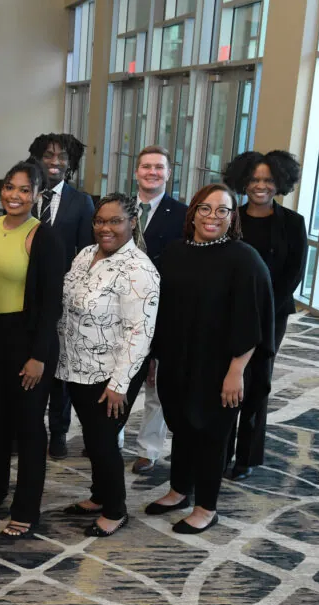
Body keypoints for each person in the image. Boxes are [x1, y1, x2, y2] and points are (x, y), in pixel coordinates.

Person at [146, 184, 274, 533]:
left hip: (220, 365)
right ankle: (178, 490)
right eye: (205, 208)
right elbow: (162, 311)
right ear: (193, 212)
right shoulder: (175, 252)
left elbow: (253, 320)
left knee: (212, 434)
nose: (213, 217)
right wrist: (155, 358)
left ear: (233, 217)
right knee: (183, 427)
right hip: (177, 358)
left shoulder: (242, 258)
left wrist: (236, 372)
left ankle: (206, 505)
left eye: (223, 210)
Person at [0, 160, 64, 537]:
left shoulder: (45, 237)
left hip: (28, 340)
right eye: (10, 187)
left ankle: (26, 507)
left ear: (38, 195)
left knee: (28, 426)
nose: (15, 195)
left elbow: (51, 304)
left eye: (25, 190)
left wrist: (38, 356)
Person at [58, 194, 160, 537]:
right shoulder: (87, 254)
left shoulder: (139, 269)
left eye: (115, 221)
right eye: (101, 220)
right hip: (77, 367)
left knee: (103, 442)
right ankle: (99, 496)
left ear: (132, 223)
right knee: (93, 437)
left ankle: (116, 510)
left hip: (111, 375)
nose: (106, 227)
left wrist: (119, 384)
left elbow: (140, 333)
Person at [222, 150, 306, 480]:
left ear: (280, 183)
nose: (261, 186)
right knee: (229, 379)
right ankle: (222, 450)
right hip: (230, 313)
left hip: (273, 315)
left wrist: (266, 309)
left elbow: (293, 273)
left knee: (259, 383)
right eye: (255, 179)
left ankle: (247, 456)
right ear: (243, 181)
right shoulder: (231, 217)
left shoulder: (292, 223)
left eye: (269, 180)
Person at [27, 133, 96, 460]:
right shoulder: (24, 194)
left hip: (64, 297)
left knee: (60, 367)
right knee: (26, 361)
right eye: (49, 155)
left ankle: (58, 431)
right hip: (24, 293)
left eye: (62, 157)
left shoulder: (80, 202)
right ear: (37, 159)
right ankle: (25, 429)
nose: (55, 162)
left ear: (72, 164)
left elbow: (87, 254)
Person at [130, 146, 188, 475]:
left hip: (163, 309)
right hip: (119, 310)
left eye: (159, 168)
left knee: (155, 383)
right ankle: (111, 437)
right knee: (116, 380)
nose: (152, 172)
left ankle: (148, 449)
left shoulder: (181, 214)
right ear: (136, 172)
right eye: (146, 167)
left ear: (168, 173)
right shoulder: (120, 208)